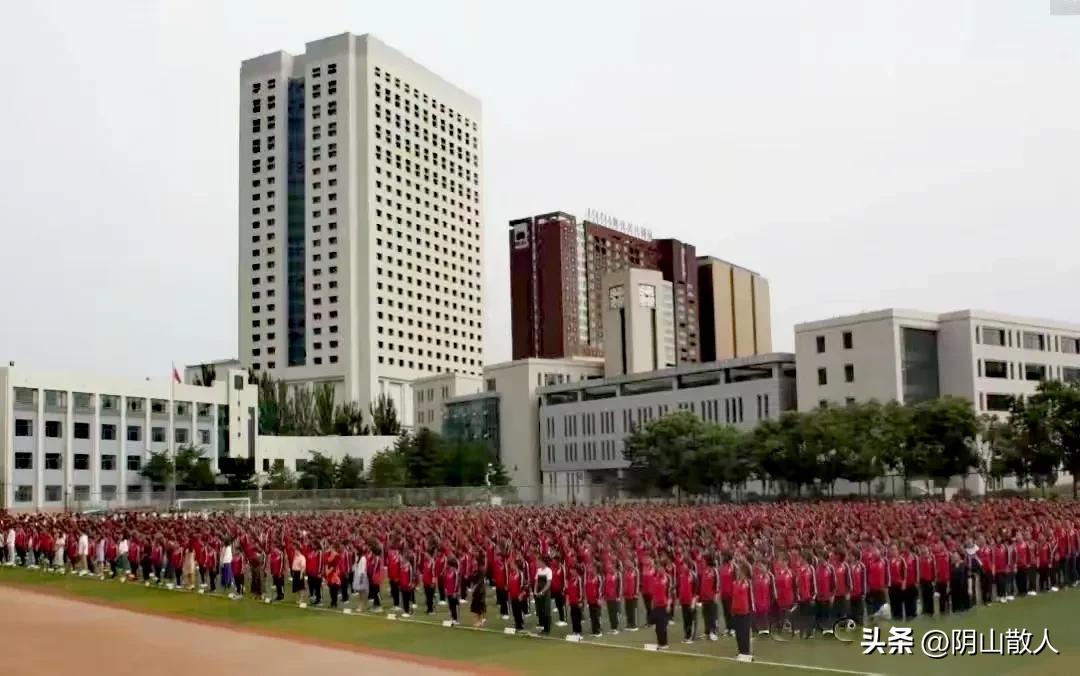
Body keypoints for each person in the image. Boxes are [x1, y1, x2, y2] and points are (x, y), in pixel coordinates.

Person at [731, 562, 754, 662]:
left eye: (739, 571)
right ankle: (741, 652)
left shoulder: (748, 583)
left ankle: (746, 653)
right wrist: (732, 609)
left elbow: (751, 598)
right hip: (736, 612)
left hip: (745, 612)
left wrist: (752, 610)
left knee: (745, 633)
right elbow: (734, 598)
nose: (738, 572)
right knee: (739, 633)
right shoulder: (735, 583)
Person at [651, 558, 672, 650]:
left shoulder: (667, 578)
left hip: (664, 605)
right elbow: (654, 592)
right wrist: (652, 603)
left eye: (661, 568)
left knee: (663, 626)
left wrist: (668, 605)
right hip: (656, 606)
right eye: (658, 568)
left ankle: (664, 643)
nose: (659, 569)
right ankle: (660, 643)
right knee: (657, 627)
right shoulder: (655, 578)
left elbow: (670, 593)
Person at [566, 562, 585, 639]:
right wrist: (568, 600)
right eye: (571, 570)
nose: (571, 571)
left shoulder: (579, 579)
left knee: (577, 617)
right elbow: (569, 591)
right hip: (572, 601)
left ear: (576, 571)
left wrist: (580, 601)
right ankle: (574, 631)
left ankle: (579, 632)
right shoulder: (571, 579)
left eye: (572, 570)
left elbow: (581, 591)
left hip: (577, 602)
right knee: (573, 616)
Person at [444, 557, 461, 626]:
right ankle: (452, 618)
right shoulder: (447, 572)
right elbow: (445, 581)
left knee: (455, 606)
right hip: (448, 591)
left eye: (449, 565)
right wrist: (445, 589)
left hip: (454, 592)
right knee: (450, 606)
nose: (448, 567)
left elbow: (456, 583)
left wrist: (455, 592)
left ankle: (456, 619)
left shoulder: (455, 573)